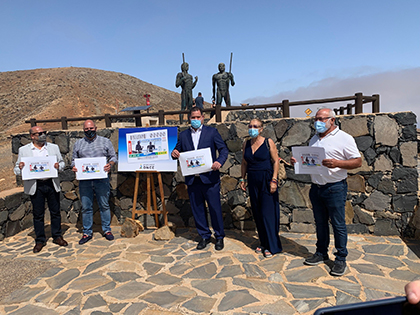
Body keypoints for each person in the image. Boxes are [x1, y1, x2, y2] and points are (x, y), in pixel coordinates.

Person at [291, 107, 362, 276]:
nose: (318, 122)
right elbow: (312, 163)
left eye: (322, 119)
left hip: (335, 187)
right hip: (316, 188)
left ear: (332, 120)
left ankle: (340, 259)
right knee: (320, 223)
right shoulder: (314, 139)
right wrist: (298, 162)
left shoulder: (344, 138)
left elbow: (357, 162)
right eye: (316, 119)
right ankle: (321, 253)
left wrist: (338, 163)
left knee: (338, 225)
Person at [171, 107, 228, 250]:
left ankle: (219, 237)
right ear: (189, 118)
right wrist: (174, 153)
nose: (195, 120)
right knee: (198, 209)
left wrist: (219, 162)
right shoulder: (183, 135)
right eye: (192, 117)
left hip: (210, 178)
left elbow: (223, 150)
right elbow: (177, 151)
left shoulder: (212, 132)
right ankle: (204, 236)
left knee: (215, 209)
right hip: (193, 180)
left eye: (198, 117)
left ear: (203, 117)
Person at [14, 126, 68, 253]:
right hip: (35, 185)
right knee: (38, 214)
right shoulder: (24, 150)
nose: (43, 135)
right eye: (39, 133)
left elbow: (62, 163)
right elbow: (16, 169)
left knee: (55, 211)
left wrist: (58, 166)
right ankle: (40, 240)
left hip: (51, 183)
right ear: (32, 136)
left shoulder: (53, 148)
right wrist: (21, 168)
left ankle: (57, 236)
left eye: (44, 133)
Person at [240, 119, 282, 257]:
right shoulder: (246, 143)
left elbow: (276, 161)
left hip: (266, 178)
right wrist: (242, 178)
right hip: (252, 180)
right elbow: (244, 162)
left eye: (255, 126)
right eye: (250, 126)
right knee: (257, 212)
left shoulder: (267, 142)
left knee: (267, 212)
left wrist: (274, 180)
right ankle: (263, 242)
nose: (252, 128)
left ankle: (272, 245)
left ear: (261, 129)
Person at [71, 120, 117, 244]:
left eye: (91, 128)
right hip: (85, 181)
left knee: (104, 205)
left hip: (101, 179)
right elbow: (74, 160)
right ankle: (87, 232)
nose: (89, 130)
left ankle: (107, 230)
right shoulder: (78, 144)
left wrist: (110, 164)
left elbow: (113, 157)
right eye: (86, 129)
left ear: (96, 128)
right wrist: (74, 167)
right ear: (83, 130)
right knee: (86, 207)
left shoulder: (105, 142)